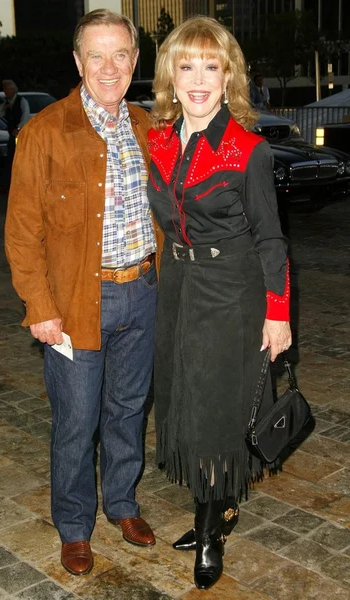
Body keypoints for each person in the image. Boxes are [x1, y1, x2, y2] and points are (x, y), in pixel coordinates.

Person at [5, 9, 164, 577]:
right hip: (75, 301)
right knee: (76, 420)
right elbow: (22, 233)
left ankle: (122, 503)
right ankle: (75, 525)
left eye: (120, 54)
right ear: (77, 62)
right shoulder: (44, 131)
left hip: (142, 291)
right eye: (95, 55)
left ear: (134, 61)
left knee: (127, 409)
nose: (108, 66)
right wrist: (40, 309)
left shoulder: (149, 126)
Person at [147, 17, 291, 590]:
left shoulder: (248, 150)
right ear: (171, 76)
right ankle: (214, 505)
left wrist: (277, 314)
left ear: (228, 75)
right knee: (182, 397)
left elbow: (272, 239)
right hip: (177, 290)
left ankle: (212, 525)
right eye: (187, 66)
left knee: (216, 411)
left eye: (211, 66)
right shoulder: (158, 139)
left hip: (232, 292)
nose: (198, 79)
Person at [0, 80, 30, 192]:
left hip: (20, 135)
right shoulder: (6, 103)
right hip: (11, 135)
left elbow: (25, 115)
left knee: (20, 159)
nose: (5, 92)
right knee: (10, 159)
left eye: (7, 90)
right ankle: (6, 184)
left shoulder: (21, 101)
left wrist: (18, 128)